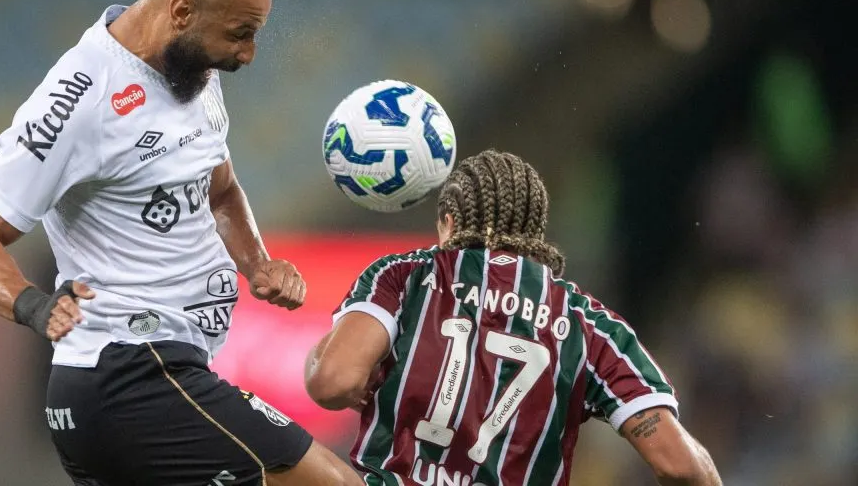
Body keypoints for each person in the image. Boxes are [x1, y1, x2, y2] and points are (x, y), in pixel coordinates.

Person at [0, 0, 360, 486]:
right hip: (130, 373)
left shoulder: (194, 72)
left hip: (156, 374)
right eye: (240, 35)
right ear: (182, 10)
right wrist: (35, 307)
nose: (247, 55)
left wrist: (257, 263)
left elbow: (220, 189)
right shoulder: (79, 97)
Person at [305, 149, 722, 486]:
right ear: (536, 233)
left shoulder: (409, 276)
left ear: (448, 224)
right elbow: (682, 467)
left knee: (259, 443)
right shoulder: (591, 326)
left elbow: (334, 383)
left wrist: (337, 365)